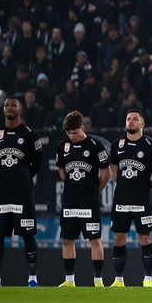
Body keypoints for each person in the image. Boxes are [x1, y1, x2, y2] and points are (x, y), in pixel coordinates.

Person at [0, 97, 43, 287]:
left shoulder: (30, 135)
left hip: (22, 194)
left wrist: (23, 179)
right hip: (1, 193)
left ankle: (32, 279)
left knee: (28, 235)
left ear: (20, 110)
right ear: (3, 111)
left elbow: (37, 163)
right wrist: (5, 178)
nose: (9, 107)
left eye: (13, 105)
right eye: (6, 105)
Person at [108, 110, 152, 287]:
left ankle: (148, 278)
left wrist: (147, 191)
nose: (130, 122)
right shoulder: (117, 146)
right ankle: (118, 279)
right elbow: (115, 173)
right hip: (122, 199)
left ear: (142, 124)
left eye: (135, 119)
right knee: (118, 237)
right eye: (128, 119)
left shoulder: (151, 147)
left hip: (142, 200)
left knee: (145, 238)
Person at [55, 111, 110, 287]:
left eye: (75, 132)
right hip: (70, 201)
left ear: (82, 128)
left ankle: (98, 280)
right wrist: (72, 185)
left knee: (94, 239)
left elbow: (106, 173)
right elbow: (62, 171)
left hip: (89, 201)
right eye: (69, 133)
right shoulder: (62, 146)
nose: (72, 136)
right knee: (67, 239)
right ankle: (69, 280)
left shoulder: (96, 145)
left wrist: (95, 191)